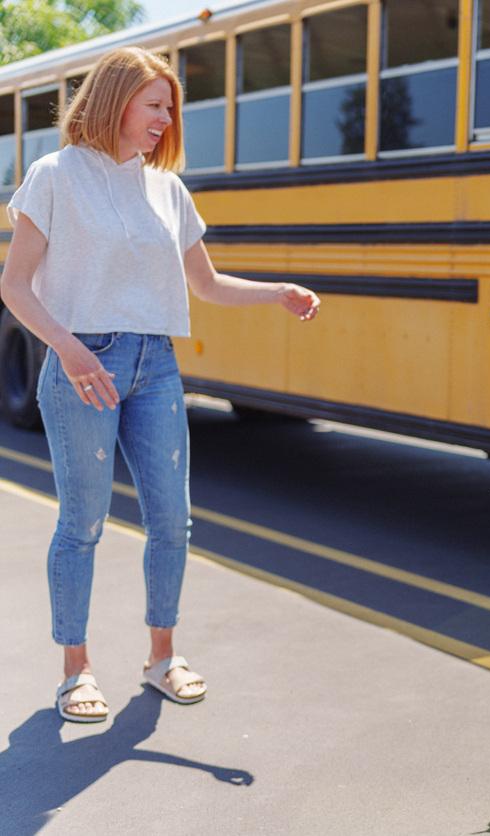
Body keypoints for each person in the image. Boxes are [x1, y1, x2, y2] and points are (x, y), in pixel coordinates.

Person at [0, 47, 321, 723]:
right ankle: (75, 670)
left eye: (170, 107)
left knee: (171, 520)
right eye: (155, 105)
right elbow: (14, 285)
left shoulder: (167, 188)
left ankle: (162, 657)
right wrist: (68, 349)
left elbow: (204, 284)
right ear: (116, 101)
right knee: (83, 522)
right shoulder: (56, 175)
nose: (166, 119)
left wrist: (278, 293)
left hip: (155, 365)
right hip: (83, 363)